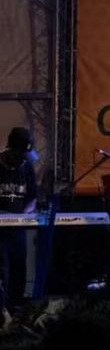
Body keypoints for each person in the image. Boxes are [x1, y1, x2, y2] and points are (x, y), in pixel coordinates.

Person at [0, 127, 38, 310]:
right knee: (2, 268)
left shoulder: (27, 167)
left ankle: (16, 307)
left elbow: (32, 198)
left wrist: (24, 214)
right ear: (11, 150)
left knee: (18, 267)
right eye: (19, 155)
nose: (22, 159)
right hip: (0, 230)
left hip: (18, 228)